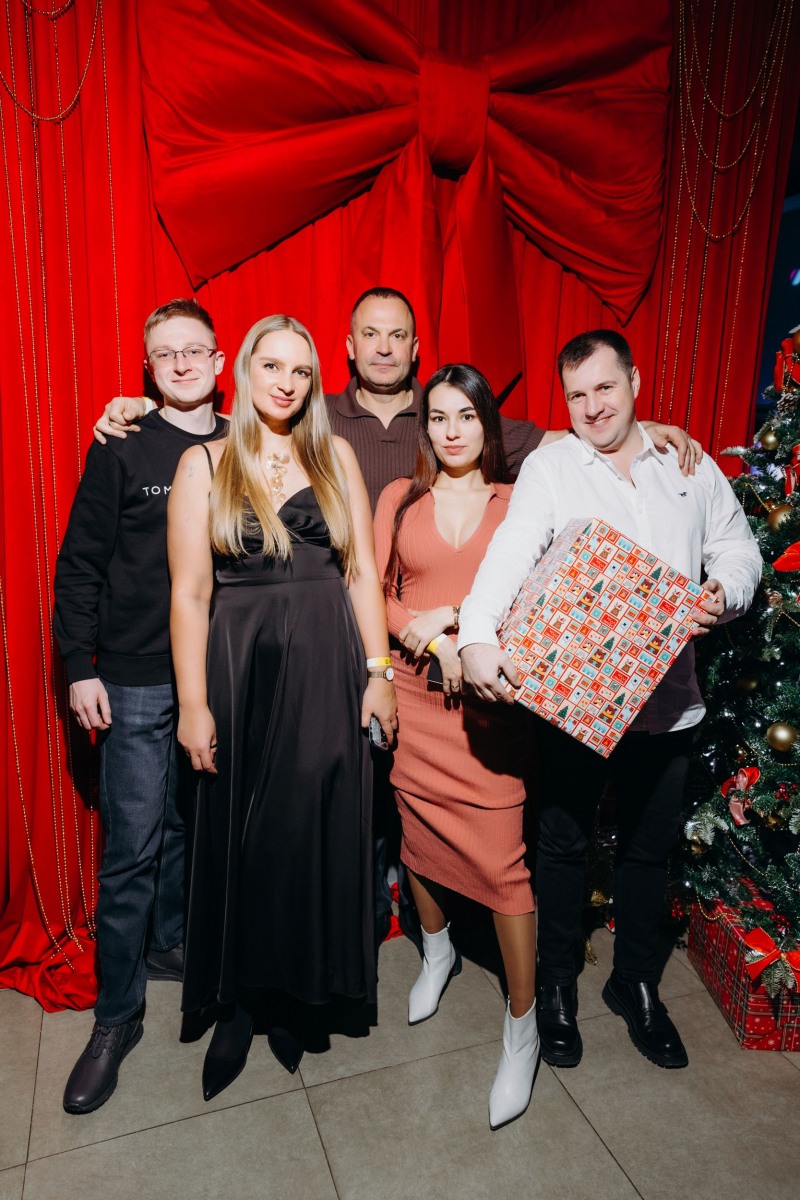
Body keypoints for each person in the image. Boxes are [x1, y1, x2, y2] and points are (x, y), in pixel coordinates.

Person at [92, 290, 702, 958]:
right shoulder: (314, 413)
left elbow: (559, 440)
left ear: (415, 348)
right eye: (369, 334)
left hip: (377, 660)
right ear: (348, 347)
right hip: (324, 649)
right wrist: (144, 407)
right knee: (311, 817)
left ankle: (398, 933)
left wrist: (642, 429)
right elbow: (229, 432)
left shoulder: (439, 408)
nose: (383, 348)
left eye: (397, 335)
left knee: (374, 817)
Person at [458, 330, 761, 1072]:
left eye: (605, 387)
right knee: (563, 844)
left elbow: (737, 548)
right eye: (577, 395)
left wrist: (724, 592)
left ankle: (635, 986)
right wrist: (476, 636)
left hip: (670, 704)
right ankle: (558, 986)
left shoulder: (687, 465)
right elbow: (512, 550)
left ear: (633, 381)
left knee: (649, 851)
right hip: (580, 700)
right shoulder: (554, 467)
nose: (593, 406)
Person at [168, 314, 397, 1101]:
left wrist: (379, 672)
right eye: (272, 365)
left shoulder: (334, 456)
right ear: (245, 370)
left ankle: (298, 992)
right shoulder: (204, 462)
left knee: (306, 829)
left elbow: (360, 571)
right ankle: (238, 1003)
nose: (286, 383)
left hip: (328, 662)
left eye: (301, 371)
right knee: (241, 833)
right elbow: (189, 593)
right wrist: (192, 702)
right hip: (239, 667)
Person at [53, 298, 228, 1114]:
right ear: (149, 367)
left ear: (221, 361)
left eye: (196, 350)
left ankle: (171, 945)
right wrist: (77, 668)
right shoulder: (121, 444)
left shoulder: (245, 441)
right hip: (134, 676)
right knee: (131, 846)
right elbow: (79, 563)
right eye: (167, 354)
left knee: (197, 826)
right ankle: (115, 1017)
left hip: (224, 675)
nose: (183, 364)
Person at [374, 363, 538, 1128]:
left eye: (466, 416)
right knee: (419, 838)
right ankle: (436, 953)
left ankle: (522, 1028)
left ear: (487, 424)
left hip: (488, 712)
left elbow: (538, 593)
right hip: (415, 699)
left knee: (504, 868)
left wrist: (457, 620)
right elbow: (370, 590)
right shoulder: (400, 498)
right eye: (438, 417)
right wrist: (421, 628)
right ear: (425, 427)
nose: (451, 430)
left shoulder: (520, 501)